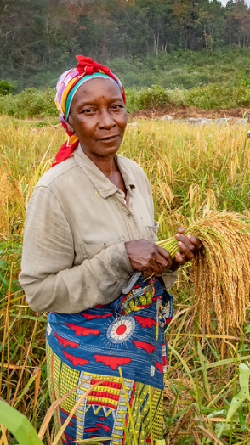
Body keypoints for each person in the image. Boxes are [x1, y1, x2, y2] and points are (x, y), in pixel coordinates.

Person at [19, 56, 202, 445]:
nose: (107, 121)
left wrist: (172, 254)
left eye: (115, 107)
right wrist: (118, 257)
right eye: (89, 111)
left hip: (142, 352)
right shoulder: (55, 190)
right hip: (88, 363)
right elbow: (38, 292)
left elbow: (141, 258)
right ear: (68, 124)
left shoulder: (134, 173)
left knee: (139, 433)